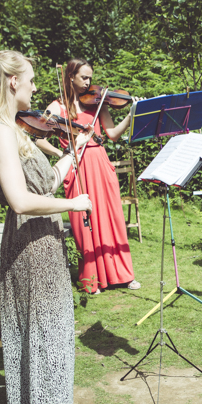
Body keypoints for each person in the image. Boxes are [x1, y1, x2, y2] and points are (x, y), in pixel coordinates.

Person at [0, 50, 107, 404]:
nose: (35, 87)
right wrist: (76, 205)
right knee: (46, 333)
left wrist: (74, 152)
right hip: (30, 244)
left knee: (44, 332)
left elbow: (43, 182)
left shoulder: (14, 130)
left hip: (39, 240)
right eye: (30, 79)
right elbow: (20, 200)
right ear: (12, 81)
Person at [36, 58, 140, 294]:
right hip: (77, 165)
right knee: (85, 223)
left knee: (112, 218)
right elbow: (37, 135)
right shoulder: (57, 107)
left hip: (100, 162)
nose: (89, 82)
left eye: (90, 77)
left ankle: (122, 275)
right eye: (84, 77)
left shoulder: (97, 102)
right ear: (70, 76)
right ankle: (92, 279)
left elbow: (112, 134)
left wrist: (131, 115)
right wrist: (61, 151)